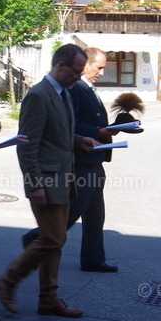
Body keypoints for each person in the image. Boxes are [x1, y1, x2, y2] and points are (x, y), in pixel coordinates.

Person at [0, 44, 99, 318]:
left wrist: (79, 141)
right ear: (61, 66)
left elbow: (58, 134)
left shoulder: (63, 93)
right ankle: (9, 280)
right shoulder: (38, 96)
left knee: (55, 240)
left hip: (63, 178)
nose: (79, 76)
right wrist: (35, 184)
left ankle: (48, 298)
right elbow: (26, 145)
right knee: (54, 238)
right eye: (76, 71)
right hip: (46, 180)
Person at [21, 47, 121, 272]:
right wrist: (98, 132)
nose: (102, 72)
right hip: (78, 165)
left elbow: (68, 129)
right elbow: (28, 143)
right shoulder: (59, 91)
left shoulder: (71, 89)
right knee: (65, 221)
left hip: (92, 159)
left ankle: (93, 258)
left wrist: (84, 138)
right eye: (99, 67)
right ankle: (32, 243)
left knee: (95, 214)